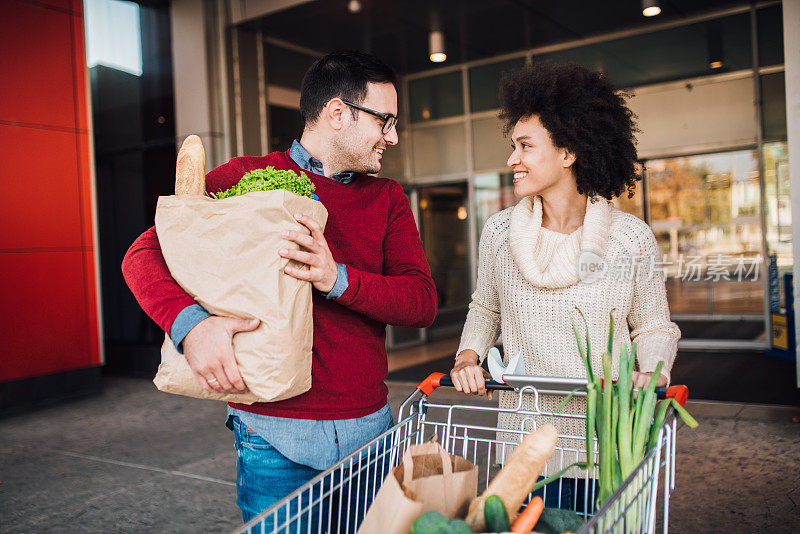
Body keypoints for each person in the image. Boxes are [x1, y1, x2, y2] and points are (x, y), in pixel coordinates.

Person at [122, 51, 437, 527]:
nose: (392, 136)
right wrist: (193, 326)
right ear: (337, 113)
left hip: (372, 435)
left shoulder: (387, 198)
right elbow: (142, 255)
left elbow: (421, 302)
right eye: (384, 120)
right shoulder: (242, 179)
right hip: (271, 435)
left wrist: (337, 278)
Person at [449, 61, 680, 511]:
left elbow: (655, 328)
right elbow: (486, 309)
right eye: (512, 146)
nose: (512, 159)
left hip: (607, 446)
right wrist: (467, 355)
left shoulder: (631, 239)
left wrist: (651, 373)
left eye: (525, 146)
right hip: (525, 449)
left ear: (568, 153)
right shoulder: (499, 234)